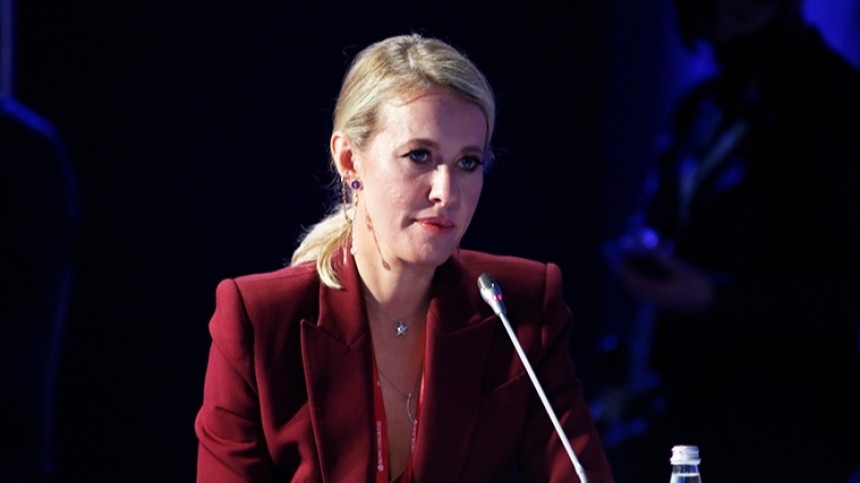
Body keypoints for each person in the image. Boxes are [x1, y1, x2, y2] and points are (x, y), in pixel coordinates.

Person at [194, 33, 614, 482]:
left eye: (468, 162)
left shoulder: (519, 307)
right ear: (349, 161)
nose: (446, 193)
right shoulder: (259, 322)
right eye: (419, 156)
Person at [604, 0, 860, 481]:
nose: (724, 27)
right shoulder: (702, 106)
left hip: (782, 421)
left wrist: (715, 296)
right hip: (677, 404)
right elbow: (670, 220)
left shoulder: (839, 105)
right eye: (712, 12)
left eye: (741, 11)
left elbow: (844, 289)